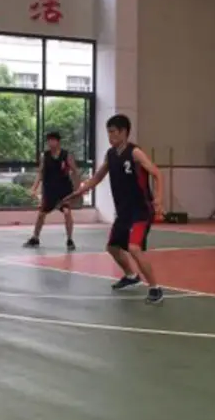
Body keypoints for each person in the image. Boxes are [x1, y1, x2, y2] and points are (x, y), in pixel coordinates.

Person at [64, 114, 165, 304]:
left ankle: (155, 288)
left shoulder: (135, 152)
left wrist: (158, 198)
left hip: (141, 211)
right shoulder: (111, 155)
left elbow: (157, 173)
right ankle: (131, 276)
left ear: (124, 132)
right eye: (108, 132)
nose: (110, 136)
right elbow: (97, 177)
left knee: (133, 248)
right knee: (112, 247)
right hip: (124, 212)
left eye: (113, 132)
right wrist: (80, 190)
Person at [24, 131, 79, 250]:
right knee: (41, 214)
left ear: (58, 142)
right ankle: (35, 238)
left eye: (53, 140)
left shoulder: (66, 155)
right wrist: (34, 188)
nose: (51, 143)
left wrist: (77, 189)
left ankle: (70, 240)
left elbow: (75, 171)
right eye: (49, 141)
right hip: (49, 190)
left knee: (67, 212)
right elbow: (40, 173)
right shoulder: (44, 156)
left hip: (64, 190)